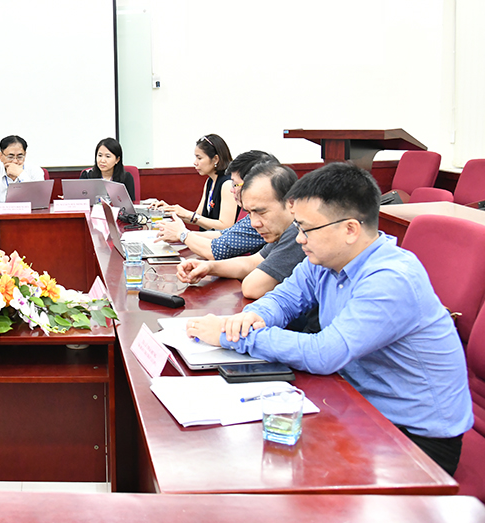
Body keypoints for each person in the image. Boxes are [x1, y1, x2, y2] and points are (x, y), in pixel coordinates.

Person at [186, 163, 473, 476]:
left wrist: (232, 335)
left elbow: (324, 353)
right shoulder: (325, 259)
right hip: (355, 401)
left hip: (414, 436)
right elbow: (284, 299)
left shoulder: (391, 279)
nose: (299, 239)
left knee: (277, 472)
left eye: (307, 229)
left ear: (350, 229)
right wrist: (251, 317)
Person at [175, 162, 302, 300]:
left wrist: (184, 235)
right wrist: (208, 267)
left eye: (261, 212)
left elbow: (252, 288)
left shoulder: (298, 233)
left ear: (290, 203)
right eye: (250, 213)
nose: (254, 223)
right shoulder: (283, 231)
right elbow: (252, 262)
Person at [157, 150, 273, 259]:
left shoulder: (262, 219)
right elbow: (224, 234)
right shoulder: (210, 182)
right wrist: (180, 233)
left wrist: (183, 235)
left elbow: (216, 250)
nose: (232, 190)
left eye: (235, 184)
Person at [155, 134, 236, 231]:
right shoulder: (210, 181)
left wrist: (189, 214)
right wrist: (170, 210)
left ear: (215, 159)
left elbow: (226, 226)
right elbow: (198, 217)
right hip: (206, 237)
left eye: (199, 158)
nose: (195, 162)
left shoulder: (227, 184)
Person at [80, 137, 135, 201]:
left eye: (107, 156)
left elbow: (130, 204)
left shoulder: (126, 178)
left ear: (117, 160)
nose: (102, 160)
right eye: (100, 155)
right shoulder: (87, 176)